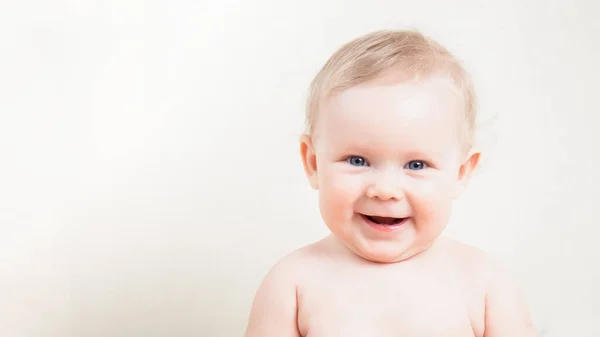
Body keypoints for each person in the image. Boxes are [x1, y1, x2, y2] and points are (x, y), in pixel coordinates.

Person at [244, 29, 537, 337]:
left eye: (416, 165)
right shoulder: (292, 285)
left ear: (460, 173)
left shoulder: (485, 285)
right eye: (357, 160)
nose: (384, 190)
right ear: (313, 163)